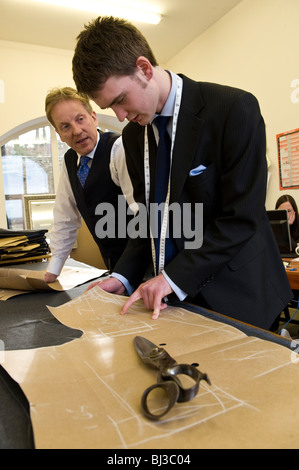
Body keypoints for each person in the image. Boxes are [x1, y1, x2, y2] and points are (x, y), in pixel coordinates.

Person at [72, 16, 292, 329]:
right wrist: (123, 276)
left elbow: (240, 218)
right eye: (110, 108)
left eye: (120, 100)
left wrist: (173, 277)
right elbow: (150, 216)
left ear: (144, 69)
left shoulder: (234, 110)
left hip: (242, 298)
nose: (120, 116)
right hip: (178, 303)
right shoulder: (135, 137)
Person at [44, 86, 136, 283]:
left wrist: (126, 274)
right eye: (66, 126)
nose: (77, 131)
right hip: (114, 265)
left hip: (144, 265)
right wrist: (54, 269)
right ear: (59, 134)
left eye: (80, 119)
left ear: (93, 117)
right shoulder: (70, 160)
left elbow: (142, 215)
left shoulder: (118, 148)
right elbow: (65, 218)